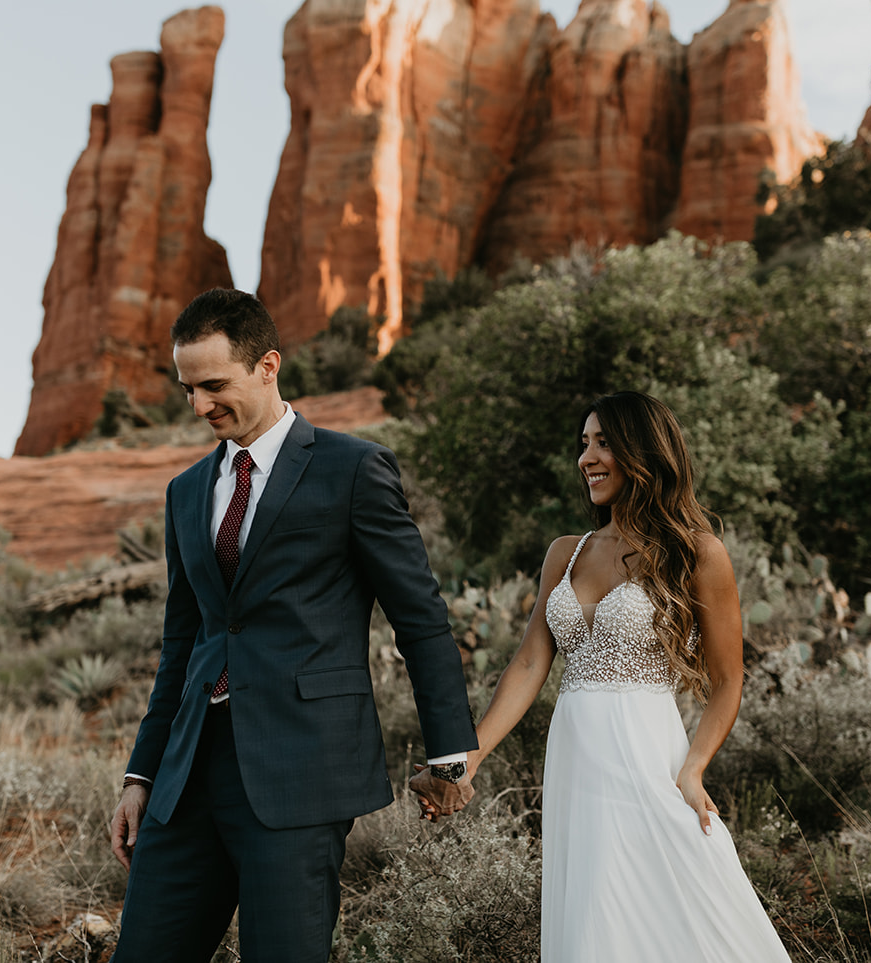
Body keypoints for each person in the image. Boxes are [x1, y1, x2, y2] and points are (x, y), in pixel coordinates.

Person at [108, 288, 478, 962]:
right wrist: (141, 773)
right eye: (188, 388)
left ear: (268, 364)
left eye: (214, 384)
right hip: (187, 776)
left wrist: (449, 752)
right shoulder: (186, 489)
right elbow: (182, 643)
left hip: (300, 770)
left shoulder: (353, 468)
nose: (199, 406)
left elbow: (419, 616)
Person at [413, 391, 792, 961]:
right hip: (575, 760)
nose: (587, 457)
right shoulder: (566, 552)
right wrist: (469, 758)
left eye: (604, 443)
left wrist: (693, 769)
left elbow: (728, 679)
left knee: (681, 897)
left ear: (646, 451)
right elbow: (529, 664)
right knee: (594, 913)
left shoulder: (696, 553)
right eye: (583, 444)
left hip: (649, 756)